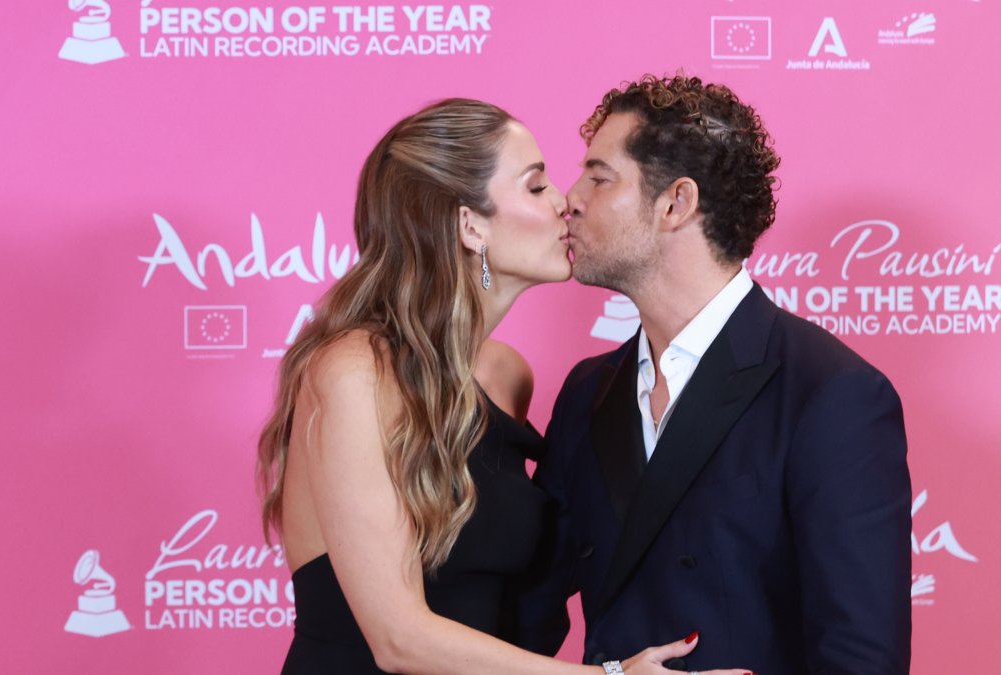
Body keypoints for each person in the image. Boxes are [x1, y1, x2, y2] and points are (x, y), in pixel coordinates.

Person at [256, 99, 749, 674]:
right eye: (536, 186)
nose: (565, 201)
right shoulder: (354, 371)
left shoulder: (507, 377)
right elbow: (397, 639)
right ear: (470, 225)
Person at [515, 75, 913, 673]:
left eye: (599, 178)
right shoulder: (586, 392)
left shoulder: (831, 394)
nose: (569, 199)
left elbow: (862, 658)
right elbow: (526, 617)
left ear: (676, 203)